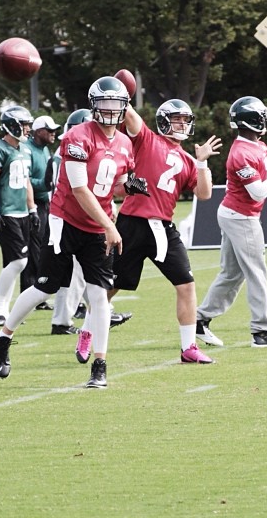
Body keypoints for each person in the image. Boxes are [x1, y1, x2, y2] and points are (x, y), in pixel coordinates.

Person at [0, 76, 137, 389]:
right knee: (45, 287)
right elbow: (81, 189)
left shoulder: (125, 143)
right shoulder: (77, 136)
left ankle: (100, 365)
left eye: (116, 104)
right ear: (94, 105)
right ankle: (4, 337)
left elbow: (116, 184)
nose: (111, 110)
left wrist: (137, 186)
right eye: (105, 103)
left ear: (124, 107)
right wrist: (111, 225)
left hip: (97, 227)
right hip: (65, 221)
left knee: (99, 296)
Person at [84, 98, 222, 366]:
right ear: (163, 121)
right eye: (177, 119)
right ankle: (88, 333)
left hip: (164, 228)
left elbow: (204, 194)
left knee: (186, 284)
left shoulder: (188, 159)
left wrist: (203, 162)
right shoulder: (147, 139)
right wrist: (120, 91)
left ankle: (188, 348)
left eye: (185, 119)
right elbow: (130, 115)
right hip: (133, 224)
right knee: (110, 286)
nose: (182, 124)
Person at [196, 96, 267, 348]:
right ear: (252, 120)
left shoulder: (257, 145)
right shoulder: (240, 153)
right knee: (257, 273)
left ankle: (200, 319)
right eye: (262, 115)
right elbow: (258, 192)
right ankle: (261, 332)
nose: (266, 119)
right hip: (241, 218)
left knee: (231, 274)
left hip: (234, 214)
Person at [48, 109, 133, 336]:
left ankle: (97, 311)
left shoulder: (111, 146)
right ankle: (63, 320)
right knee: (72, 273)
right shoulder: (75, 146)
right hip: (70, 216)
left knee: (89, 273)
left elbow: (111, 185)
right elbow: (75, 188)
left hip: (90, 213)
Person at [0, 105, 40, 326]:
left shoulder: (24, 150)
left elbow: (25, 181)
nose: (28, 130)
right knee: (19, 261)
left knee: (13, 262)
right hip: (6, 213)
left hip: (23, 212)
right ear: (13, 125)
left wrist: (33, 208)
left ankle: (4, 309)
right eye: (25, 125)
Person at [21, 115, 61, 310]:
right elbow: (25, 179)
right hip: (32, 204)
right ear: (38, 132)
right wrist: (45, 185)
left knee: (43, 249)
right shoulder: (27, 149)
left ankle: (38, 294)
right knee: (34, 250)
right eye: (49, 130)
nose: (53, 133)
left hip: (45, 204)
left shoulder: (44, 149)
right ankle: (32, 293)